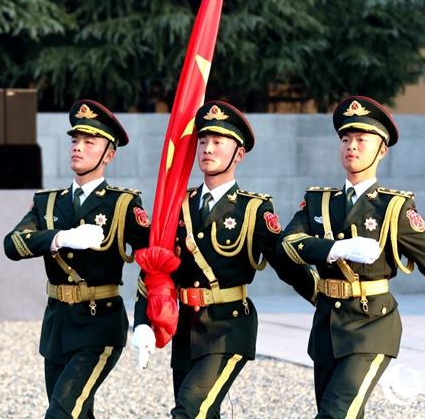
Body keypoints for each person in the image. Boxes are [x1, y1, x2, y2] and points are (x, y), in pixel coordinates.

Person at [277, 95, 425, 419]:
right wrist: (334, 249)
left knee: (335, 414)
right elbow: (287, 244)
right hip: (327, 328)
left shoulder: (394, 208)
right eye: (345, 139)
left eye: (361, 139)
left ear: (382, 150)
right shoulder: (318, 201)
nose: (351, 146)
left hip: (372, 325)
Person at [132, 100, 315, 419]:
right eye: (203, 141)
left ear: (239, 154)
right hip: (186, 329)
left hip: (229, 327)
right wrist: (142, 322)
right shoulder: (177, 204)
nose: (207, 148)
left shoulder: (253, 209)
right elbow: (155, 266)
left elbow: (287, 266)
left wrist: (325, 299)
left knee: (189, 411)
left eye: (218, 142)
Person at [3, 99, 151, 419]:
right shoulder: (47, 203)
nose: (78, 148)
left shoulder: (123, 204)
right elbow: (13, 244)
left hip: (100, 325)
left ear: (109, 154)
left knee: (61, 413)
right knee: (77, 413)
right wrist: (60, 238)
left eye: (89, 142)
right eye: (75, 141)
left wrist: (144, 321)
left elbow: (153, 263)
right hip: (57, 325)